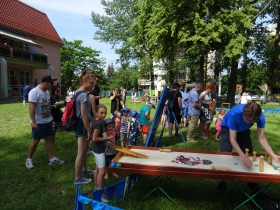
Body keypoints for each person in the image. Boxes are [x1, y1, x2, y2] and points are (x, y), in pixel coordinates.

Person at [216, 102, 280, 194]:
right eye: (246, 118)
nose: (248, 122)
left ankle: (251, 182)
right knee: (225, 155)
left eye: (251, 121)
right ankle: (222, 182)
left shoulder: (260, 117)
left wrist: (272, 154)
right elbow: (233, 139)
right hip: (227, 128)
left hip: (244, 131)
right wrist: (242, 156)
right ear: (243, 113)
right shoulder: (235, 114)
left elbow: (261, 138)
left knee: (248, 153)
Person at [26, 75, 64, 169]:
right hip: (38, 121)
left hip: (48, 120)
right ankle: (29, 159)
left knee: (49, 139)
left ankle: (52, 159)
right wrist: (33, 122)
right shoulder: (34, 92)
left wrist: (53, 107)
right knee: (36, 140)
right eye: (51, 83)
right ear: (46, 82)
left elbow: (45, 105)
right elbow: (31, 108)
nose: (52, 85)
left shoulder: (47, 92)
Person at [74, 71, 95, 185]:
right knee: (81, 152)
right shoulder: (82, 95)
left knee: (84, 150)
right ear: (85, 81)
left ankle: (84, 169)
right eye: (91, 83)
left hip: (80, 124)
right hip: (82, 125)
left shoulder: (78, 92)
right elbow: (83, 115)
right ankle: (77, 178)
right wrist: (88, 130)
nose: (93, 85)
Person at [91, 105, 115, 203]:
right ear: (96, 113)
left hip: (97, 149)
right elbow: (95, 138)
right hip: (99, 150)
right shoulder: (98, 124)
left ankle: (96, 188)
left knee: (97, 169)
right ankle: (100, 194)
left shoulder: (97, 122)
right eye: (101, 113)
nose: (104, 115)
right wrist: (107, 139)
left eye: (105, 112)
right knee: (101, 172)